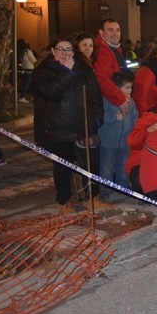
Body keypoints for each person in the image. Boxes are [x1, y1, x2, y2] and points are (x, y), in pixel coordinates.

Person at [32, 35, 104, 214]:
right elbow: (50, 92)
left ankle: (93, 198)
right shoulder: (43, 70)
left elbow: (95, 94)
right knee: (63, 166)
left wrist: (97, 118)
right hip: (58, 129)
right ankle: (64, 201)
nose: (64, 53)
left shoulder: (85, 68)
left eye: (68, 49)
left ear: (74, 51)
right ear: (53, 51)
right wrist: (66, 71)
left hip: (83, 127)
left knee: (90, 164)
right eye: (60, 49)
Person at [97, 70, 138, 207]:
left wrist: (132, 132)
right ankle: (105, 190)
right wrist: (115, 117)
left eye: (131, 87)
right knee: (106, 167)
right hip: (107, 141)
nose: (130, 90)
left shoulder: (130, 102)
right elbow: (100, 116)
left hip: (124, 141)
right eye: (127, 87)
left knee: (123, 164)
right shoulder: (106, 100)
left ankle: (123, 186)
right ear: (116, 88)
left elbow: (134, 118)